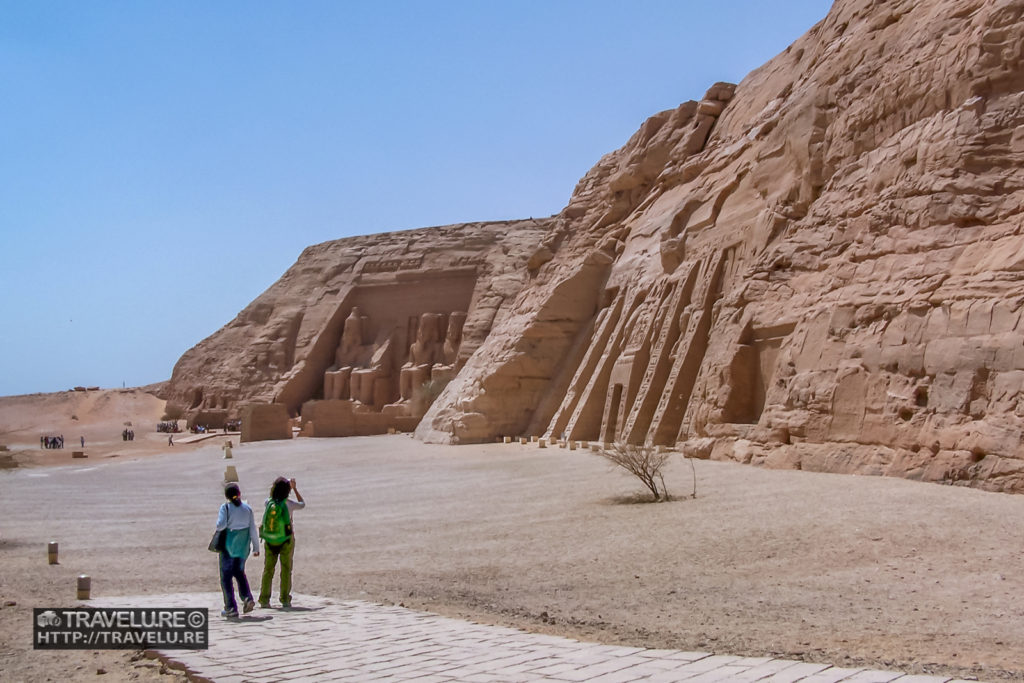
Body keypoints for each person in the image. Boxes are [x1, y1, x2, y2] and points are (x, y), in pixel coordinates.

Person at [258, 477, 305, 608]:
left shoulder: (268, 502)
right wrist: (294, 488)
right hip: (286, 540)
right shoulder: (289, 504)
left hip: (269, 540)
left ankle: (264, 599)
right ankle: (285, 598)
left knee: (268, 570)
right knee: (286, 569)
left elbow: (270, 499)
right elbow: (302, 504)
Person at [215, 484, 259, 618]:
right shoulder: (247, 508)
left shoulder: (226, 508)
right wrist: (256, 547)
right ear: (239, 493)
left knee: (226, 577)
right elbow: (252, 529)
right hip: (243, 547)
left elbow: (220, 525)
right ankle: (247, 597)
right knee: (239, 573)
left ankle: (230, 607)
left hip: (229, 546)